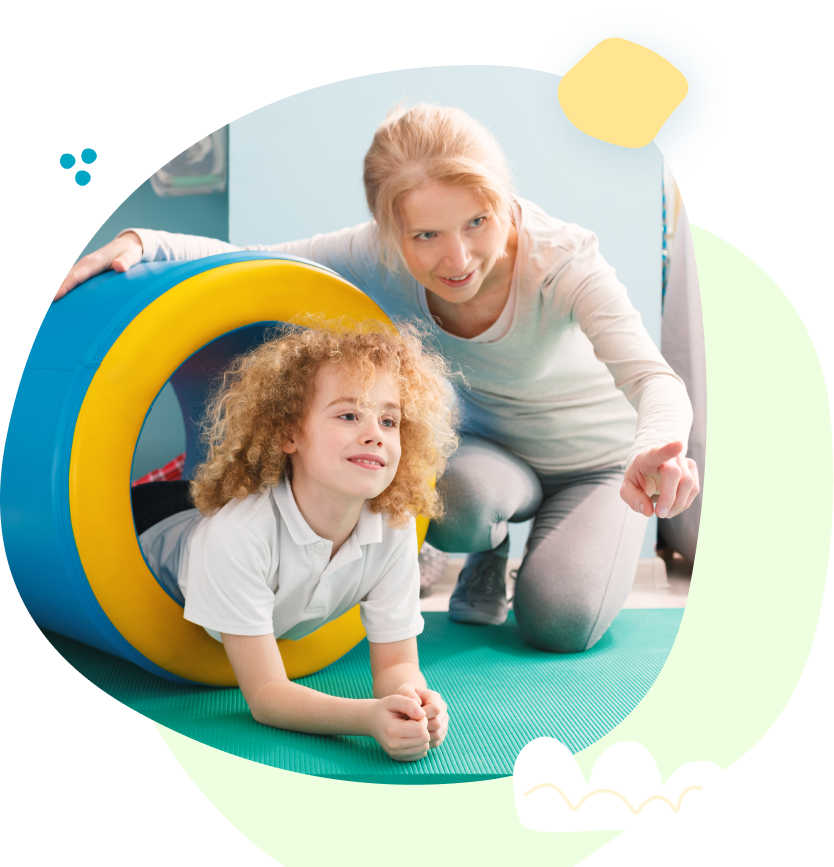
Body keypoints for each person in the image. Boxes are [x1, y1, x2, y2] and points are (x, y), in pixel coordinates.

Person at [57, 102, 700, 655]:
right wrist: (145, 240)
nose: (457, 258)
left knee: (562, 622)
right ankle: (486, 548)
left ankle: (522, 555)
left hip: (597, 465)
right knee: (453, 503)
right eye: (426, 234)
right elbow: (261, 261)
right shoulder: (377, 253)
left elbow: (654, 379)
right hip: (491, 456)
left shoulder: (563, 261)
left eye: (478, 222)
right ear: (392, 231)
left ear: (502, 199)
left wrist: (657, 445)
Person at [132, 320, 459, 762]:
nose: (374, 433)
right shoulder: (237, 536)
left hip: (207, 522)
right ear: (289, 434)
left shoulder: (394, 525)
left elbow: (396, 664)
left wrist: (413, 702)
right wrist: (367, 719)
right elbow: (267, 695)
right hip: (154, 523)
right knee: (180, 496)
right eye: (348, 415)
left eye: (389, 420)